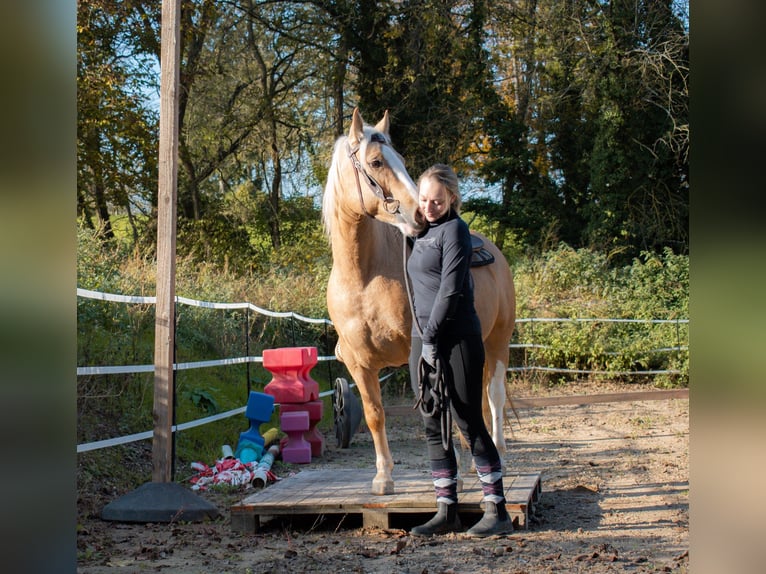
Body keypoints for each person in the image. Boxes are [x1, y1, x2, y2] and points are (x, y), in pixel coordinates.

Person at [406, 164, 513, 538]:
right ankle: (446, 509)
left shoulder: (456, 231)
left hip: (457, 339)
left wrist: (433, 339)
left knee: (468, 421)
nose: (429, 206)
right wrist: (422, 341)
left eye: (437, 200)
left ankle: (496, 509)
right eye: (423, 199)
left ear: (451, 197)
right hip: (423, 340)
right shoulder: (418, 233)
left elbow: (451, 291)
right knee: (433, 425)